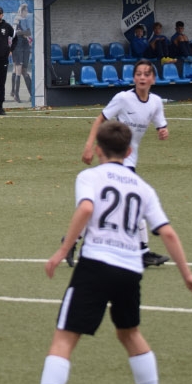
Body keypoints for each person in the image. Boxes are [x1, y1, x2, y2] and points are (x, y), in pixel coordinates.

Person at [22, 121, 192, 384]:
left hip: (96, 265)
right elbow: (168, 233)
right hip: (130, 269)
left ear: (98, 150)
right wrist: (187, 275)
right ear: (129, 151)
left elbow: (85, 209)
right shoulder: (143, 188)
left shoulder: (90, 176)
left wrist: (63, 250)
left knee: (65, 338)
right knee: (129, 333)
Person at [80, 60, 170, 268]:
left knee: (109, 202)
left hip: (130, 156)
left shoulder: (156, 102)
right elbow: (100, 119)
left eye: (146, 74)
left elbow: (161, 126)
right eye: (138, 74)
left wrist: (163, 132)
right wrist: (88, 146)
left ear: (153, 79)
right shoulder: (123, 98)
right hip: (114, 155)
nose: (142, 77)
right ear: (134, 78)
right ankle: (143, 252)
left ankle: (72, 240)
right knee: (133, 198)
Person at [11, 1, 33, 103]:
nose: (27, 12)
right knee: (18, 70)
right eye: (26, 10)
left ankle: (32, 94)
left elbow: (29, 32)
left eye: (27, 10)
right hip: (18, 46)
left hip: (25, 46)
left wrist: (23, 33)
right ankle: (16, 94)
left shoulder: (26, 20)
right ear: (22, 11)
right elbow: (14, 33)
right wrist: (22, 33)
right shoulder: (17, 19)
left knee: (24, 70)